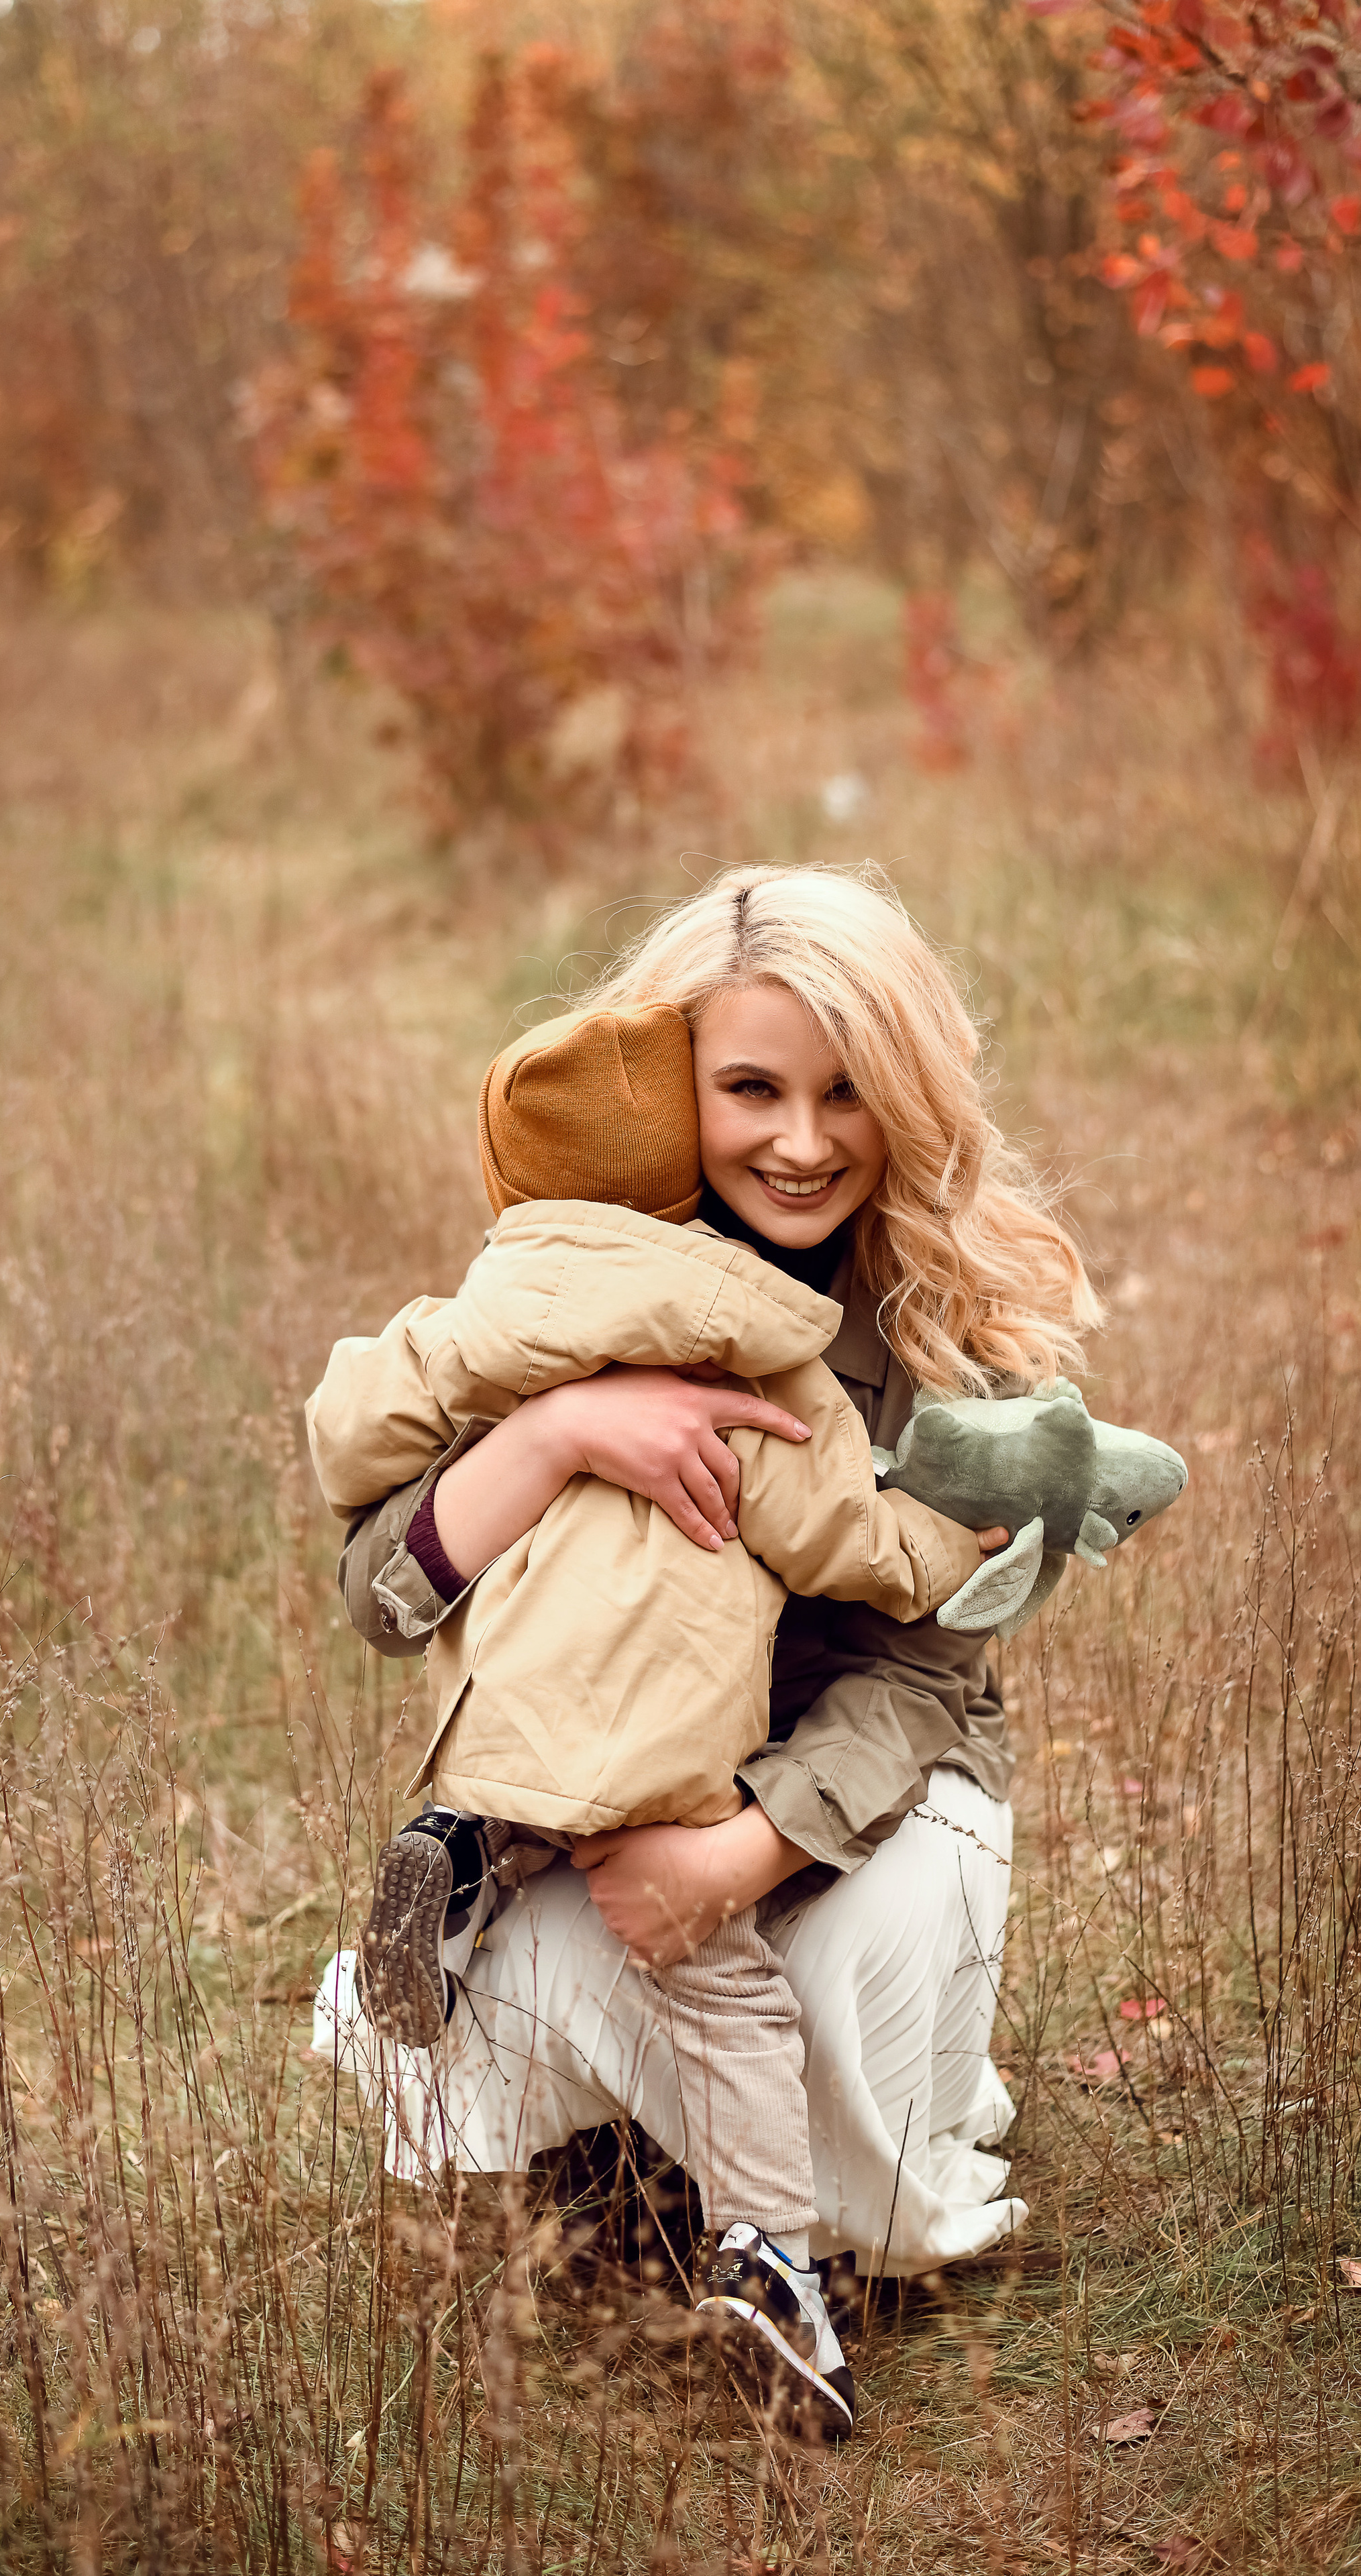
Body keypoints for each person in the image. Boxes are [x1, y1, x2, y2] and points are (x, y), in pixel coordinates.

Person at [312, 864, 1103, 2434]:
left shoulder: (958, 1324)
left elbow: (926, 1674)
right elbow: (376, 1592)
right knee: (461, 2013)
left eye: (846, 1093)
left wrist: (736, 1854)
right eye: (749, 1088)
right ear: (675, 1087)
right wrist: (552, 1432)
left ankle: (831, 2175)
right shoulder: (588, 1268)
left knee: (847, 2142)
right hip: (610, 1785)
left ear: (907, 1098)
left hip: (869, 1786)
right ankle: (635, 2152)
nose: (799, 1142)